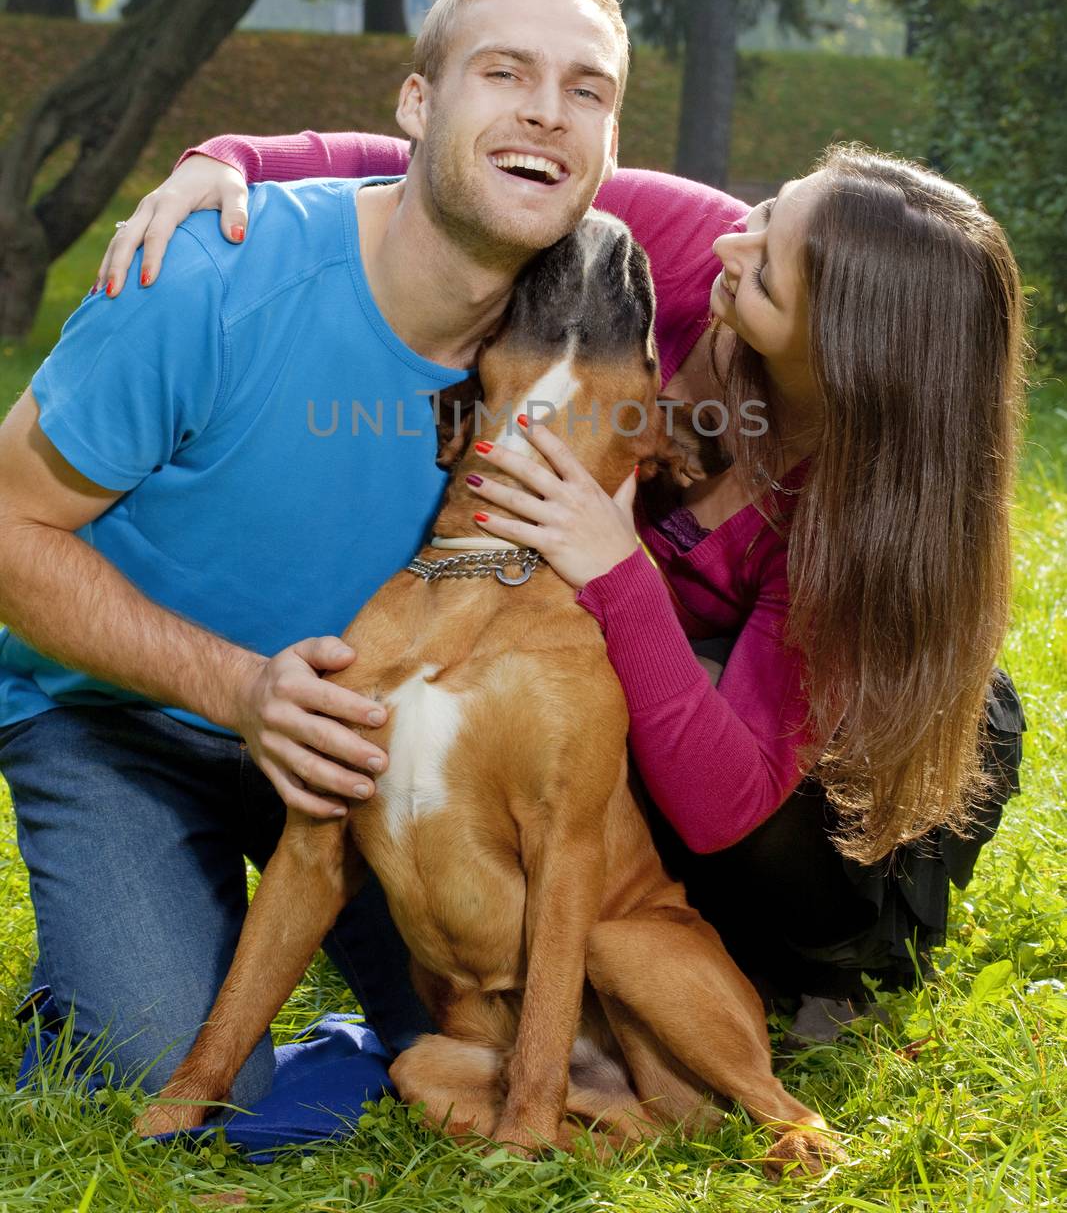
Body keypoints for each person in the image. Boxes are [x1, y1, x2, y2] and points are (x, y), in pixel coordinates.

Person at [102, 115, 1027, 1041]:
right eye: (768, 210)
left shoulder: (852, 526)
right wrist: (232, 162)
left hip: (843, 808)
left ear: (843, 355)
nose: (727, 243)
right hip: (669, 678)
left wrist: (616, 561)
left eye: (768, 268)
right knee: (574, 696)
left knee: (676, 727)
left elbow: (724, 804)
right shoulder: (685, 248)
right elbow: (459, 177)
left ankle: (809, 973)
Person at [0, 0, 653, 1110]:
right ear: (415, 103)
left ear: (607, 145)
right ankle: (104, 977)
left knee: (491, 1039)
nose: (546, 113)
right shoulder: (208, 275)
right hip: (127, 716)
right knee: (163, 1066)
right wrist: (242, 690)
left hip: (377, 743)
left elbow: (811, 261)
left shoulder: (575, 315)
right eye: (503, 72)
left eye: (585, 91)